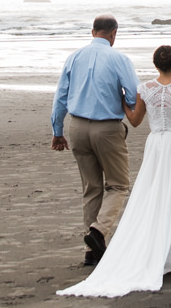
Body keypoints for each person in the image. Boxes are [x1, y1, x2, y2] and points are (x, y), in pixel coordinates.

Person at [57, 44, 171, 298]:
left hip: (156, 143)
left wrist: (123, 103)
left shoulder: (144, 89)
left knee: (152, 192)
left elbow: (135, 121)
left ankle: (102, 243)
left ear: (156, 64)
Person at [49, 14, 140, 266]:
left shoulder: (74, 57)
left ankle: (92, 251)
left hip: (76, 127)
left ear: (93, 32)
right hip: (107, 128)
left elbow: (61, 97)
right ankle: (98, 232)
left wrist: (57, 131)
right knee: (118, 185)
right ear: (113, 34)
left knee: (91, 188)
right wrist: (127, 106)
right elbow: (133, 95)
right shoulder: (119, 59)